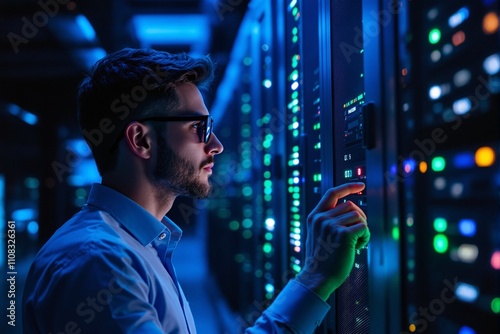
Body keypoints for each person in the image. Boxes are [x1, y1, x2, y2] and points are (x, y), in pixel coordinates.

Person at [22, 48, 369, 333]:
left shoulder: (137, 248)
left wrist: (315, 277)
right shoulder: (98, 262)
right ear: (141, 140)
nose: (215, 145)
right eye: (198, 128)